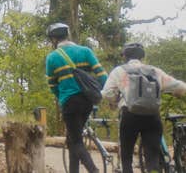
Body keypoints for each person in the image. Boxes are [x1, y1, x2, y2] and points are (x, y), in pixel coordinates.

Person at [101, 42, 186, 173]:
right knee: (152, 158)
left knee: (126, 157)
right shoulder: (154, 71)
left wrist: (116, 99)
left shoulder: (119, 71)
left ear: (125, 56)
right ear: (142, 57)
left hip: (129, 115)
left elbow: (107, 93)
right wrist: (175, 93)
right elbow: (179, 87)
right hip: (152, 116)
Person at [45, 22, 108, 173]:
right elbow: (102, 75)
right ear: (68, 35)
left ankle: (94, 170)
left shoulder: (52, 57)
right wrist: (106, 93)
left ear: (54, 39)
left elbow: (52, 85)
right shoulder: (85, 51)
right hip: (87, 102)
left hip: (69, 102)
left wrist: (62, 98)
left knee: (77, 141)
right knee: (72, 139)